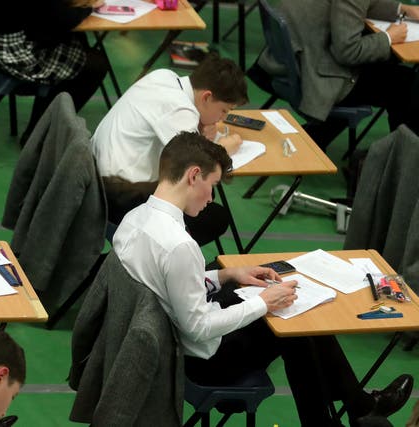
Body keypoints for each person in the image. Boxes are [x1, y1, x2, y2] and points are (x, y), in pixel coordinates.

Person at [112, 131, 414, 426]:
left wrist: (226, 274)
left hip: (165, 336)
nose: (211, 197)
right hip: (199, 358)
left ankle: (356, 408)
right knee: (294, 321)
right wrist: (263, 304)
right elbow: (199, 327)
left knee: (292, 317)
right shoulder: (180, 245)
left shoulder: (134, 220)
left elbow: (168, 283)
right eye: (213, 184)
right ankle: (358, 408)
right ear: (193, 176)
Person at [91, 52, 247, 246]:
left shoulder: (163, 76)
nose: (221, 118)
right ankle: (153, 261)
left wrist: (198, 128)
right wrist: (224, 147)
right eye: (224, 110)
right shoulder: (182, 110)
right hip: (118, 197)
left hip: (97, 177)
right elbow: (199, 170)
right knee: (213, 213)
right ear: (207, 97)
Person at [257, 0, 419, 150]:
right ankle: (397, 162)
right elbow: (348, 52)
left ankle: (315, 138)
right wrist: (388, 38)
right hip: (315, 75)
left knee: (388, 65)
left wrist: (403, 9)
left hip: (295, 61)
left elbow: (358, 5)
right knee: (406, 85)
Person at [0, 0, 109, 146]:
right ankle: (38, 137)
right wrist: (88, 7)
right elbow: (61, 18)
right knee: (94, 65)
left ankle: (39, 130)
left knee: (73, 42)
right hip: (2, 51)